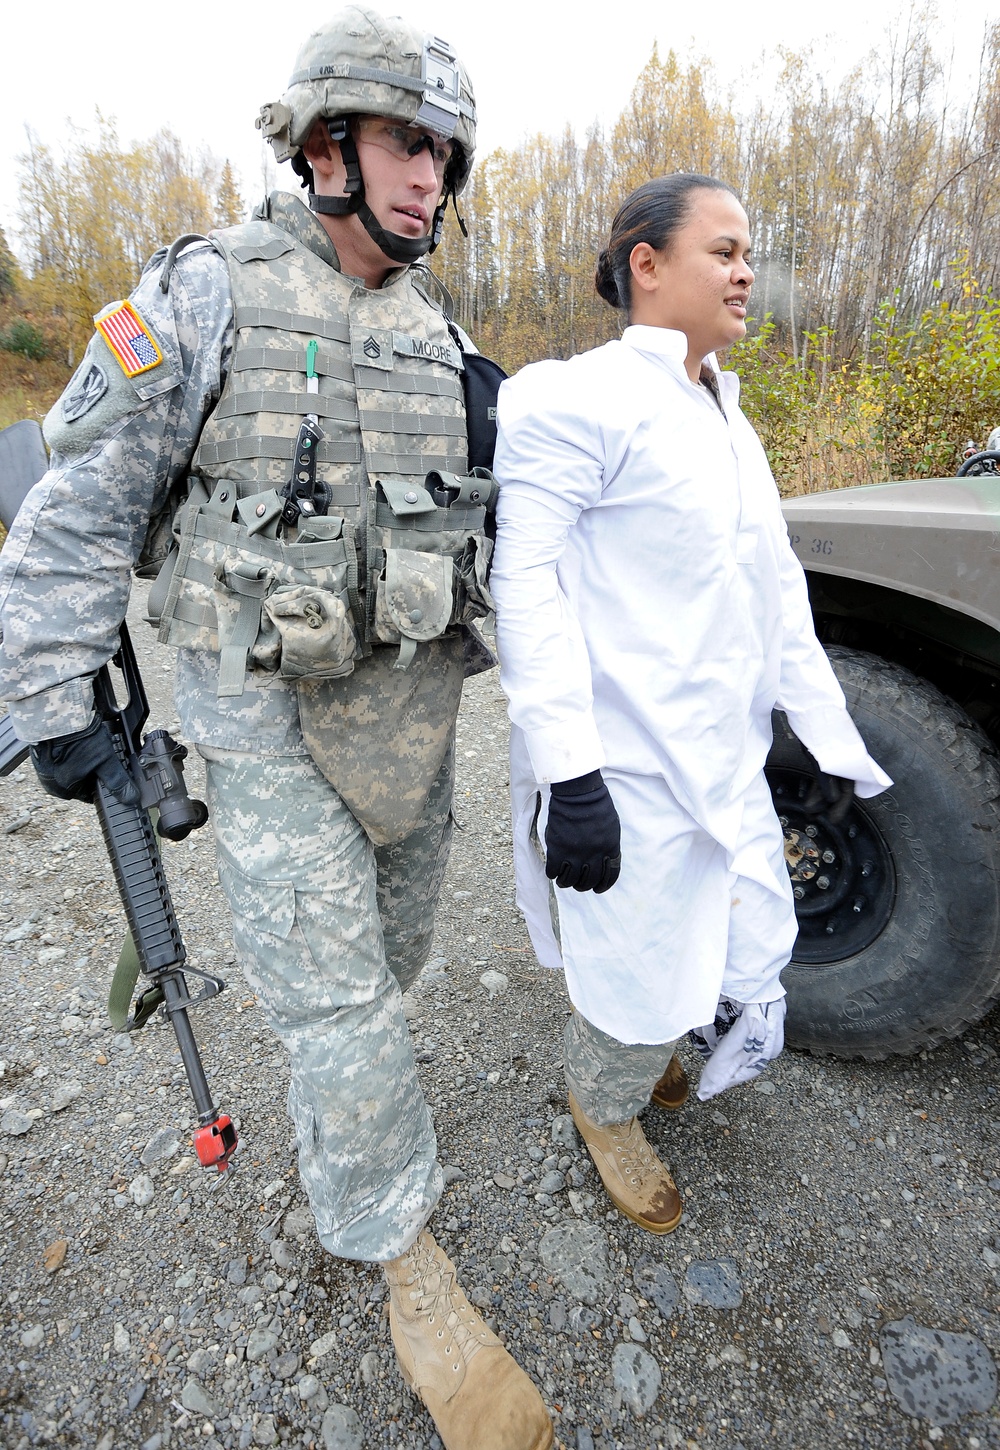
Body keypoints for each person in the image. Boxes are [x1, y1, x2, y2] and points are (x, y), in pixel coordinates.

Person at [0, 10, 552, 1448]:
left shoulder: (444, 332)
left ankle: (345, 1119)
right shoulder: (207, 293)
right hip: (260, 713)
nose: (431, 177)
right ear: (324, 149)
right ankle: (397, 1250)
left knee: (398, 952)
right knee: (344, 1009)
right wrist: (54, 697)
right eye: (405, 144)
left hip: (410, 715)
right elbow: (75, 514)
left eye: (444, 151)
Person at [489, 174, 891, 1236]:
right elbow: (522, 584)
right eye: (722, 249)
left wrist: (822, 730)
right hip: (622, 767)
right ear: (646, 264)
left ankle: (642, 1056)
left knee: (712, 941)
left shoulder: (725, 415)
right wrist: (571, 777)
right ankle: (603, 1104)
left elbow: (773, 590)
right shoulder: (572, 399)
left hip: (719, 756)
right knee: (629, 960)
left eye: (748, 250)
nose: (745, 270)